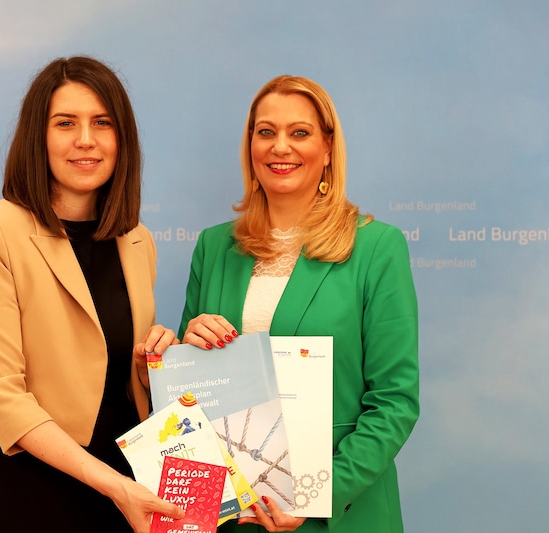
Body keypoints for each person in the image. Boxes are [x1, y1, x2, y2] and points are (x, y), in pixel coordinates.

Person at [0, 56, 184, 533]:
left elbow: (118, 379)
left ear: (122, 140)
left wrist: (155, 363)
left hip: (120, 490)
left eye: (102, 123)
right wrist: (114, 485)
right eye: (65, 123)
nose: (85, 140)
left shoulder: (138, 240)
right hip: (21, 489)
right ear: (39, 136)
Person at [178, 75, 419, 532]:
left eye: (300, 133)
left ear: (328, 148)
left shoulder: (377, 248)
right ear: (250, 145)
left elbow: (394, 402)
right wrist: (185, 347)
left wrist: (315, 496)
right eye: (265, 132)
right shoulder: (213, 247)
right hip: (232, 518)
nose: (280, 147)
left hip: (338, 515)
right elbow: (192, 394)